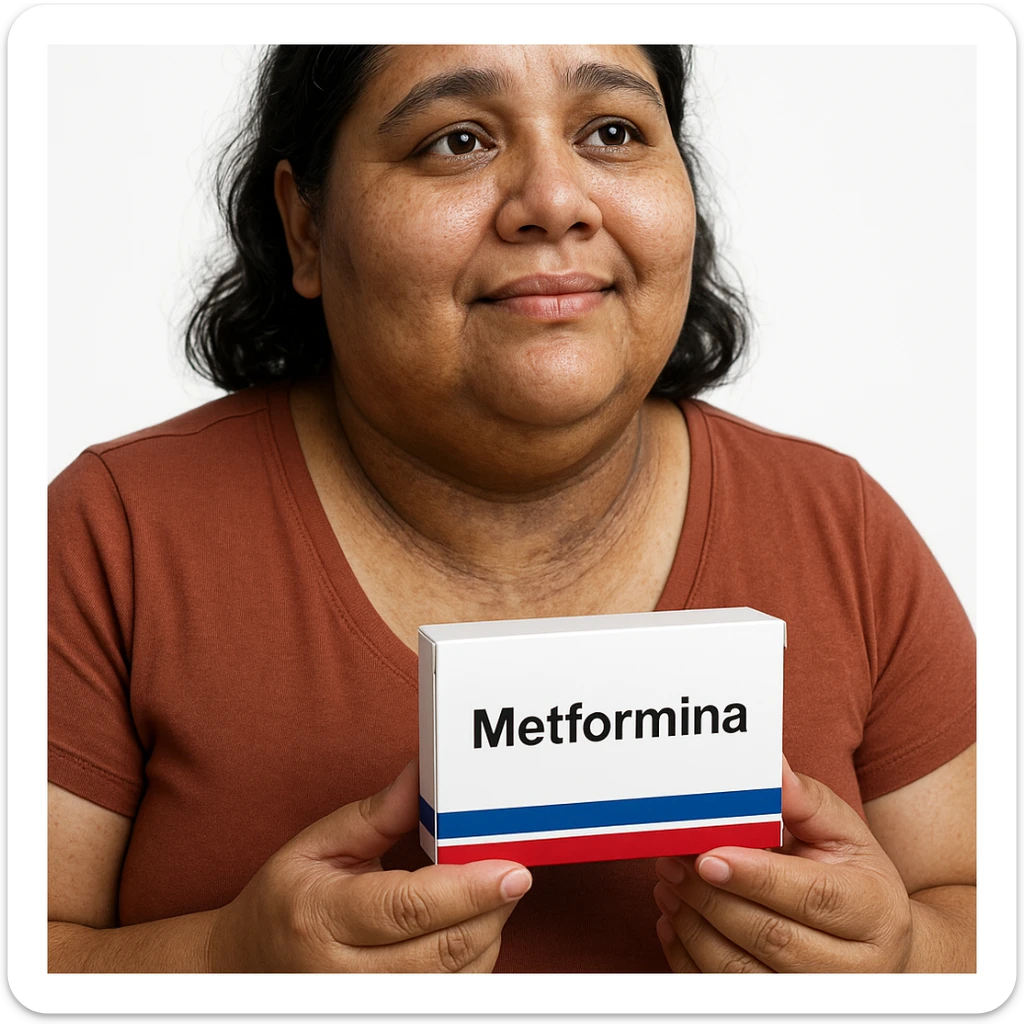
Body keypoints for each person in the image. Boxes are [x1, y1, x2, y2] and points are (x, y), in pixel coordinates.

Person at [47, 44, 975, 973]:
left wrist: (904, 960)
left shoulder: (842, 527)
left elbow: (979, 916)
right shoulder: (111, 537)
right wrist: (223, 968)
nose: (557, 201)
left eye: (613, 132)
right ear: (306, 229)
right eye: (457, 141)